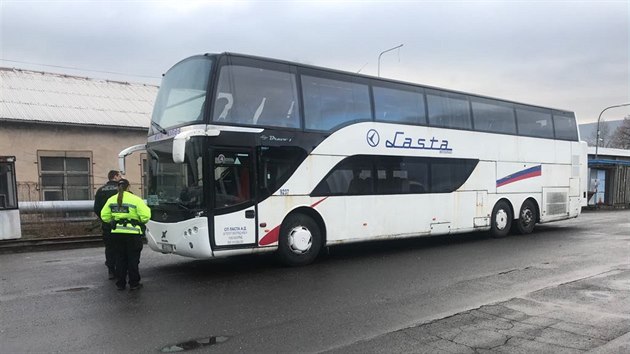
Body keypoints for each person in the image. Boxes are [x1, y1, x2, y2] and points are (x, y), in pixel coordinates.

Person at [100, 179, 151, 291]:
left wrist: (113, 220)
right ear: (129, 187)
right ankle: (134, 283)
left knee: (120, 259)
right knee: (133, 259)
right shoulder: (136, 200)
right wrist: (138, 221)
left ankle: (120, 284)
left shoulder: (111, 200)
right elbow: (146, 216)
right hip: (133, 234)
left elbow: (104, 216)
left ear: (118, 187)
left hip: (117, 234)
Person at [93, 170, 121, 279]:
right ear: (115, 176)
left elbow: (96, 208)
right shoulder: (120, 190)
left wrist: (104, 219)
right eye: (119, 175)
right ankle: (121, 270)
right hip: (120, 224)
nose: (121, 177)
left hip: (107, 224)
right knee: (120, 247)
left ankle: (111, 271)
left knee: (109, 247)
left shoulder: (100, 190)